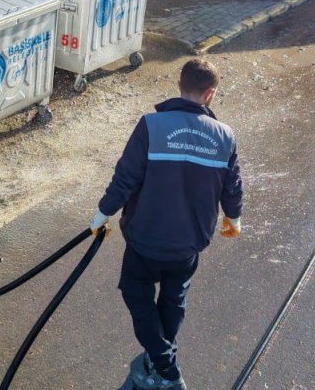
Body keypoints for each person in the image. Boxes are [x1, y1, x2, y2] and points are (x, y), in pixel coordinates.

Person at [89, 58, 243, 390]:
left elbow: (125, 179)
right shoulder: (225, 137)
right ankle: (160, 364)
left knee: (136, 292)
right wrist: (234, 219)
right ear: (210, 94)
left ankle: (166, 368)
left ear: (179, 84)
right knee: (173, 300)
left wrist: (102, 215)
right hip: (187, 244)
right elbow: (232, 188)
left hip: (145, 239)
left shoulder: (151, 126)